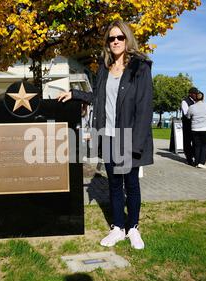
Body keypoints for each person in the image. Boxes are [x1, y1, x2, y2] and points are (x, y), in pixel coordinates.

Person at [58, 20, 153, 250]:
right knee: (113, 184)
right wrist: (75, 94)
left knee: (131, 184)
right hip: (108, 136)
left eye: (120, 37)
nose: (116, 42)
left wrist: (136, 145)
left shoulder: (140, 67)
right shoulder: (104, 68)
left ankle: (133, 228)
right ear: (107, 43)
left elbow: (144, 108)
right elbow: (98, 99)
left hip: (129, 137)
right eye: (111, 38)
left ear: (127, 39)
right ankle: (118, 227)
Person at [186, 91, 206, 169]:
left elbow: (188, 116)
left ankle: (196, 162)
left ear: (195, 98)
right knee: (204, 146)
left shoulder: (191, 107)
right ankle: (201, 162)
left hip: (195, 128)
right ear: (203, 98)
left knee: (197, 146)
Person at [181, 87, 199, 165]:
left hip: (195, 125)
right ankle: (189, 159)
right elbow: (186, 114)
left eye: (197, 94)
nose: (196, 95)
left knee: (195, 142)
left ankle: (195, 156)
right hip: (187, 125)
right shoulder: (185, 102)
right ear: (190, 94)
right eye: (194, 94)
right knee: (187, 142)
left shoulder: (197, 102)